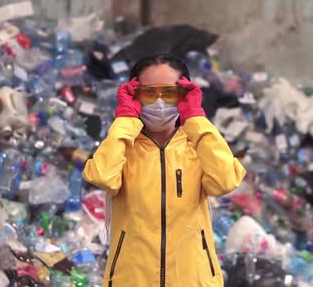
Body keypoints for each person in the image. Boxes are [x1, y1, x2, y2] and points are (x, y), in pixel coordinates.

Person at [83, 53, 246, 286]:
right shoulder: (122, 146)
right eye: (149, 93)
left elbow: (226, 181)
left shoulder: (198, 145)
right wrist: (126, 120)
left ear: (184, 95)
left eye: (169, 92)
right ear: (134, 95)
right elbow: (102, 176)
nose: (159, 102)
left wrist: (195, 118)